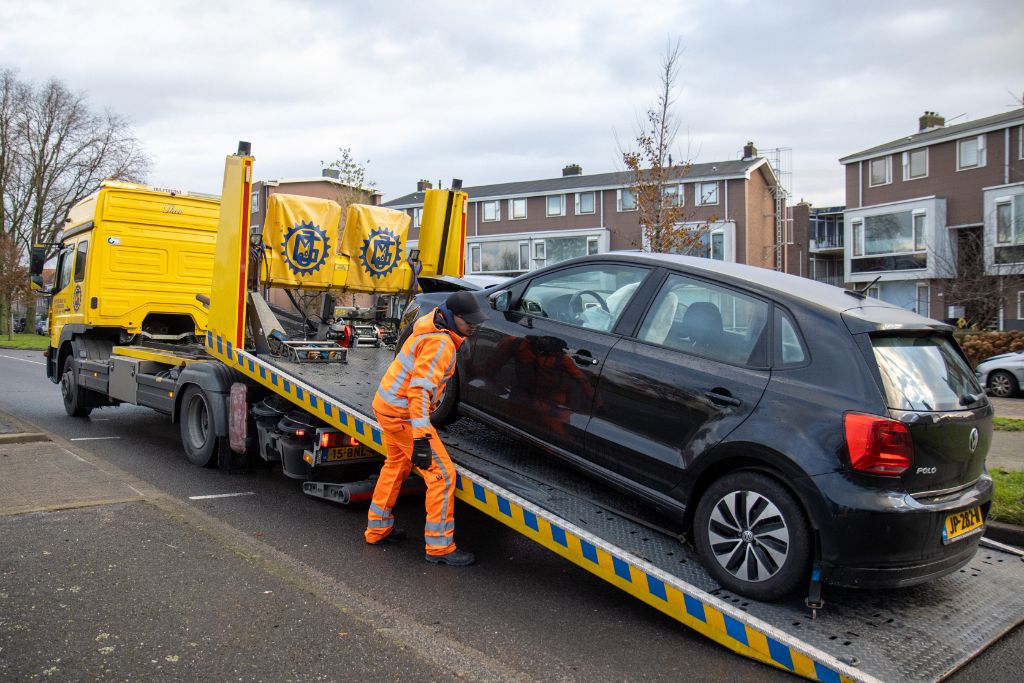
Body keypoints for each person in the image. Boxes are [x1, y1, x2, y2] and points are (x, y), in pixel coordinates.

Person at [364, 290, 488, 565]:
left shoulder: (432, 323)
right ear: (454, 317)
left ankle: (377, 529)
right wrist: (421, 438)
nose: (474, 327)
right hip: (402, 415)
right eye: (469, 322)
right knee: (442, 476)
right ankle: (440, 547)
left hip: (387, 406)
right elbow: (418, 392)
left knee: (396, 465)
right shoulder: (440, 343)